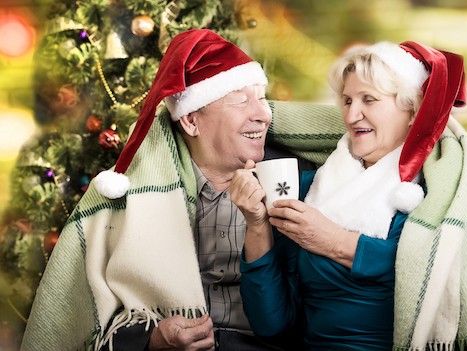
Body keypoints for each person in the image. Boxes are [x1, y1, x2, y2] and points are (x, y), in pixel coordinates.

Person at [21, 28, 342, 351]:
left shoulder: (295, 181)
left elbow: (306, 314)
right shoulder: (134, 193)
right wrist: (152, 340)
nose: (263, 115)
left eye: (261, 99)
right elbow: (90, 317)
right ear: (190, 121)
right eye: (242, 101)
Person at [232, 41, 467, 350]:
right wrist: (257, 225)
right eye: (346, 100)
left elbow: (436, 275)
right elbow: (273, 325)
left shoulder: (438, 192)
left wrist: (334, 240)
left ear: (412, 110)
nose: (352, 114)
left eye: (368, 100)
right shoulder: (311, 188)